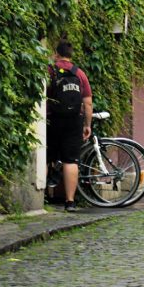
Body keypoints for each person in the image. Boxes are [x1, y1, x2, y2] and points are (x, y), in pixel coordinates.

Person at [46, 40, 93, 212]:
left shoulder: (50, 70)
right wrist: (87, 125)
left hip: (52, 119)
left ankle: (42, 197)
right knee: (70, 160)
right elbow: (87, 103)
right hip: (74, 120)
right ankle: (70, 202)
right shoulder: (79, 74)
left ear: (56, 54)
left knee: (47, 156)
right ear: (70, 55)